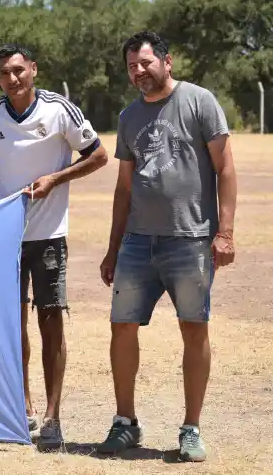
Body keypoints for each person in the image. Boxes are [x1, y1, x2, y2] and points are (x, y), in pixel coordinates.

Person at [0, 43, 108, 450]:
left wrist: (55, 179)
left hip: (48, 236)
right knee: (11, 324)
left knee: (51, 321)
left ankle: (53, 417)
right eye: (3, 73)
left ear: (33, 68)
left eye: (18, 70)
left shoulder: (58, 109)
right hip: (5, 235)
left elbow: (99, 155)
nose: (12, 79)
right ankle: (22, 404)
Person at [97, 31, 236, 462]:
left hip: (190, 239)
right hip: (138, 241)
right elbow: (124, 187)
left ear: (167, 61)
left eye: (145, 63)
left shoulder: (199, 101)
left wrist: (225, 232)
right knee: (121, 327)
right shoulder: (128, 117)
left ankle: (191, 428)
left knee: (193, 328)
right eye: (131, 67)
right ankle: (125, 423)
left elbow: (226, 169)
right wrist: (113, 245)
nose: (139, 72)